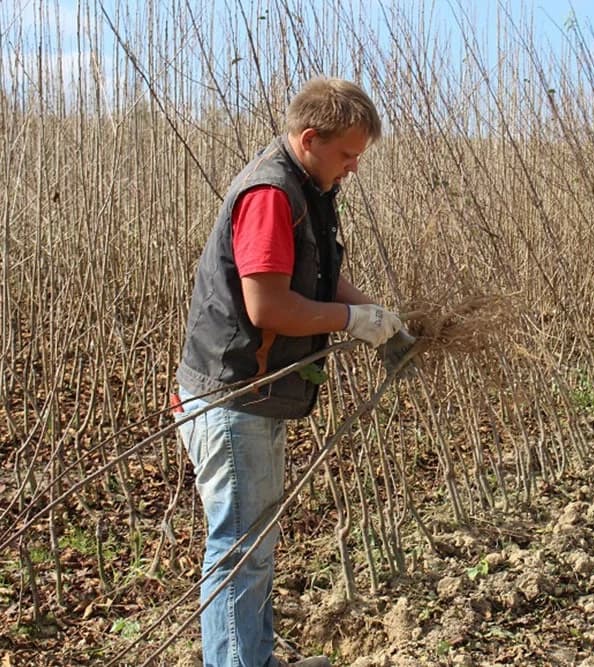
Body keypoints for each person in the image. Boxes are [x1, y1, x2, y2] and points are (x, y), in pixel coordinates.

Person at [173, 78, 413, 667]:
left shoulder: (309, 187)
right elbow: (268, 307)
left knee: (256, 547)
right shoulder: (271, 194)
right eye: (348, 154)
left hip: (257, 396)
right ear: (310, 139)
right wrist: (354, 320)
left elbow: (317, 277)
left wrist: (379, 317)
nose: (355, 166)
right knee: (239, 551)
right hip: (233, 397)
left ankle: (250, 658)